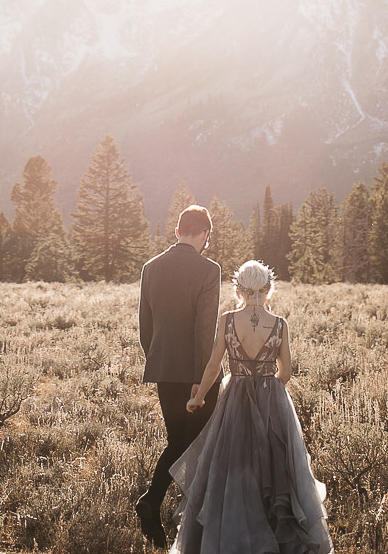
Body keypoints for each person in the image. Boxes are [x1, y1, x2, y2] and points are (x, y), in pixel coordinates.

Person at [172, 259, 332, 554]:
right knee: (275, 468)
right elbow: (287, 371)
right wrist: (268, 391)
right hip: (272, 400)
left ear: (239, 289)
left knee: (232, 466)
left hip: (235, 399)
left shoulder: (228, 320)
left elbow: (212, 365)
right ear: (268, 289)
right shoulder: (280, 324)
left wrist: (199, 397)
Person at [136, 204, 222, 547]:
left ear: (177, 231)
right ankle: (165, 506)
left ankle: (162, 506)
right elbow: (205, 329)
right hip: (195, 372)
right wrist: (204, 378)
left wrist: (157, 358)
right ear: (204, 235)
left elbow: (146, 325)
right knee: (195, 443)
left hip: (164, 370)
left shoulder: (150, 268)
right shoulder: (209, 270)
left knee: (179, 440)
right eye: (207, 237)